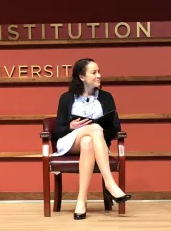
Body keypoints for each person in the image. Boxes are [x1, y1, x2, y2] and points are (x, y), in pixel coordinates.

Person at [53, 58, 131, 220]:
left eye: (99, 71)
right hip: (70, 142)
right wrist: (71, 127)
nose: (99, 76)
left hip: (96, 143)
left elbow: (116, 127)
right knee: (94, 129)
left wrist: (100, 128)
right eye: (94, 72)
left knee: (88, 141)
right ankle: (110, 184)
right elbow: (57, 131)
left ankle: (81, 201)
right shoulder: (66, 98)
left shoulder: (106, 97)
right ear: (82, 77)